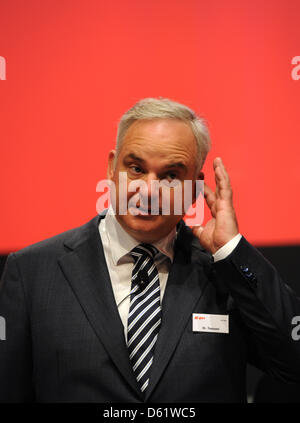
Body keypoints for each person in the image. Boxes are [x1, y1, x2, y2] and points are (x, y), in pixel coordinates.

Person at [0, 97, 300, 402]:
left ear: (195, 188)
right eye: (136, 169)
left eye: (170, 175)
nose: (149, 190)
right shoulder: (32, 273)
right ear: (111, 168)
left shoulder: (224, 271)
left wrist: (232, 251)